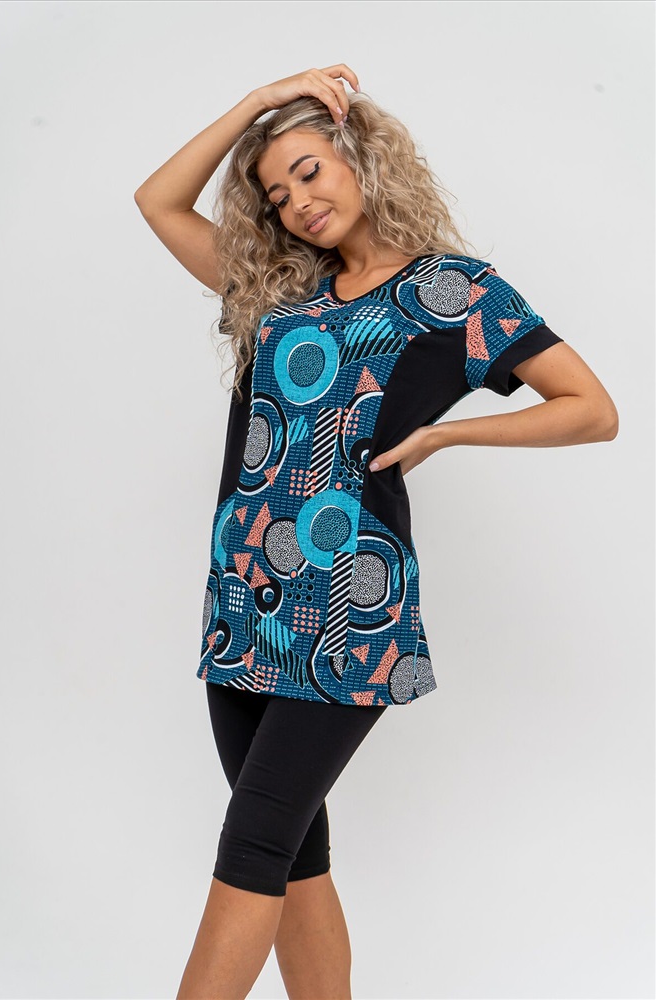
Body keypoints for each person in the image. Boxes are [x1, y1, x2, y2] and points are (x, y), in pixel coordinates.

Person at [134, 65, 619, 1000]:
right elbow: (157, 202)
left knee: (252, 844)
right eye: (277, 193)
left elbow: (591, 409)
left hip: (347, 606)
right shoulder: (279, 286)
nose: (297, 201)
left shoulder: (455, 292)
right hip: (242, 599)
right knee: (293, 853)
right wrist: (256, 104)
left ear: (360, 157)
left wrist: (446, 433)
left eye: (309, 170)